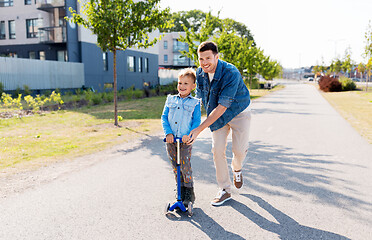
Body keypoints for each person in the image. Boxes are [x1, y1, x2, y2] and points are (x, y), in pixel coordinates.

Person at [187, 41, 251, 206]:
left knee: (238, 152)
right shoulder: (200, 73)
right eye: (201, 59)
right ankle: (225, 190)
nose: (204, 62)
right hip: (218, 116)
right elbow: (199, 100)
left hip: (238, 111)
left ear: (217, 57)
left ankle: (237, 168)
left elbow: (223, 107)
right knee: (217, 150)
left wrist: (200, 129)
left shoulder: (231, 72)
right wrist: (188, 121)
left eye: (208, 58)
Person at [161, 68, 201, 206]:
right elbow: (164, 117)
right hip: (171, 140)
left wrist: (188, 135)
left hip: (185, 141)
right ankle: (180, 191)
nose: (182, 86)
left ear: (193, 86)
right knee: (175, 166)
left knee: (184, 166)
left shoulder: (195, 103)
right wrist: (168, 133)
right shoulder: (170, 99)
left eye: (186, 83)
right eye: (180, 83)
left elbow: (196, 121)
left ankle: (189, 192)